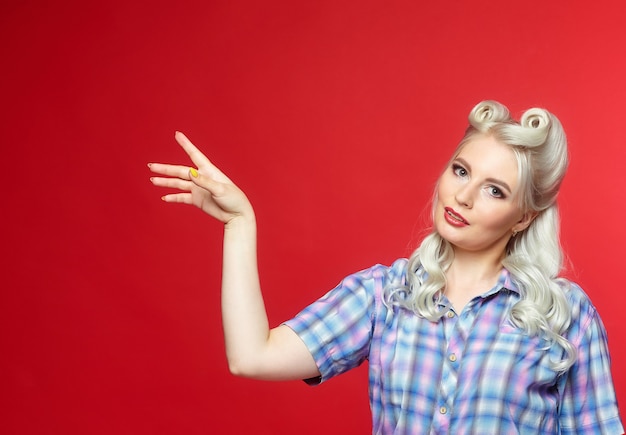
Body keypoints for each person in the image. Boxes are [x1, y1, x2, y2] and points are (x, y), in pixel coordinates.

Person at [148, 100, 624, 434]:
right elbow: (251, 356)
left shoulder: (564, 316)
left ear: (524, 216)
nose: (463, 195)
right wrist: (240, 223)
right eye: (461, 171)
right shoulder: (384, 294)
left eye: (494, 190)